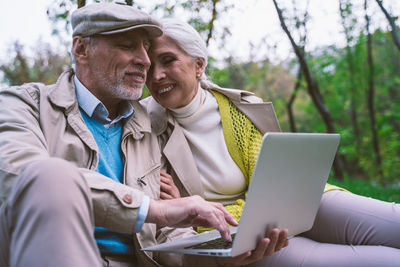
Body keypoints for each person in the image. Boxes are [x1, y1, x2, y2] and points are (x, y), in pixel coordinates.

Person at [143, 18, 400, 267]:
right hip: (242, 238)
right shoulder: (144, 129)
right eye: (149, 67)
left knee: (394, 225)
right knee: (385, 261)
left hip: (298, 202)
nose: (156, 76)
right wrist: (193, 218)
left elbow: (272, 187)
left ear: (199, 65)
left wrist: (207, 213)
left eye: (168, 61)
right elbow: (168, 221)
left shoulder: (237, 109)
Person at [0, 3, 239, 267]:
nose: (145, 61)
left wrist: (224, 257)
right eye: (127, 46)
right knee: (50, 175)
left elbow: (168, 236)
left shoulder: (150, 128)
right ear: (81, 50)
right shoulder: (23, 104)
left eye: (145, 49)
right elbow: (18, 175)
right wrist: (153, 208)